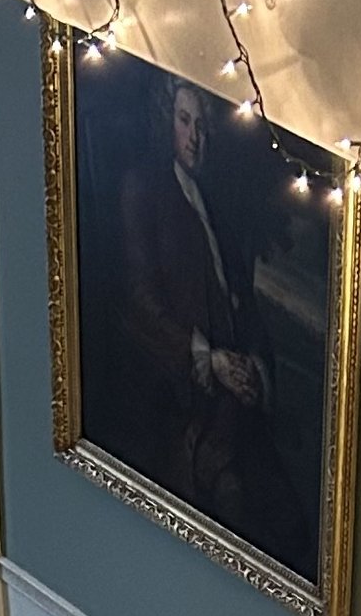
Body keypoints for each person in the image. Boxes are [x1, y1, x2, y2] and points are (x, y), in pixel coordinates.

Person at [86, 71, 312, 576]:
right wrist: (208, 359)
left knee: (290, 532)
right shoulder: (143, 188)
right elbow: (137, 300)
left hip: (236, 395)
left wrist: (253, 369)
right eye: (185, 121)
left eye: (202, 126)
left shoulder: (216, 202)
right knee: (227, 507)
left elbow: (242, 303)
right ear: (167, 122)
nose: (194, 137)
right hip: (181, 391)